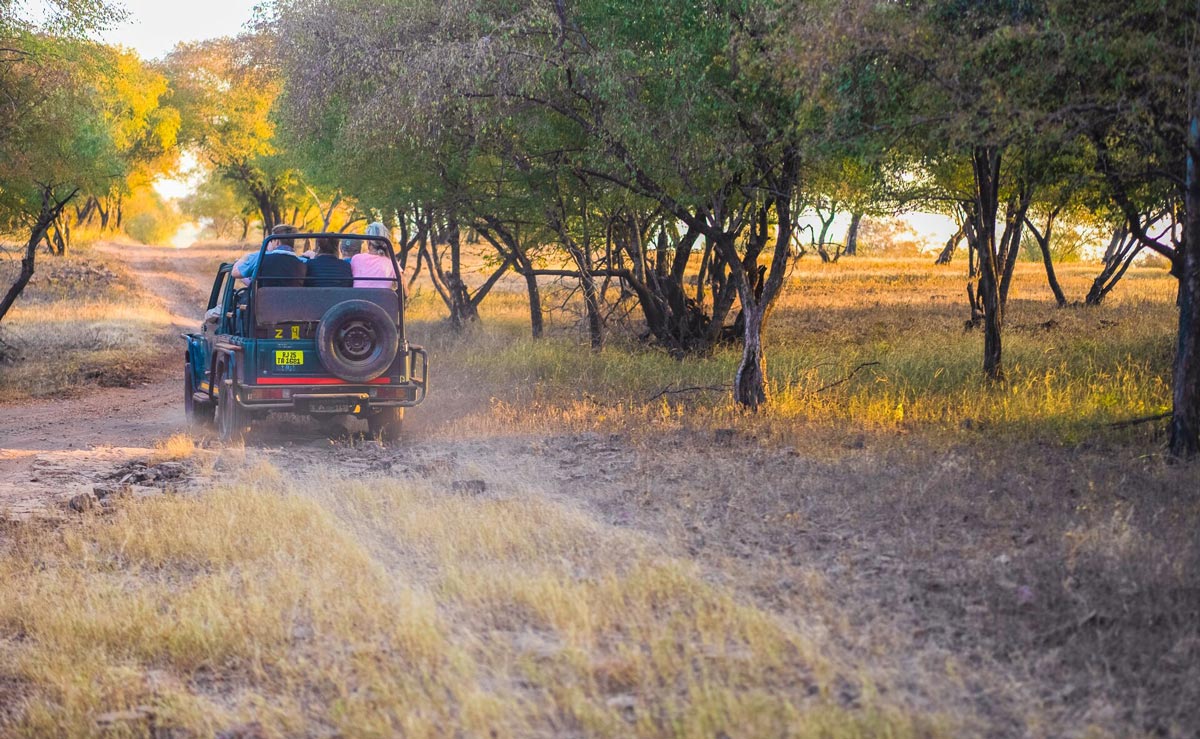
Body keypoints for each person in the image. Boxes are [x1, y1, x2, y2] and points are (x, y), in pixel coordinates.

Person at [232, 224, 304, 286]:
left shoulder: (260, 257)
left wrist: (243, 258)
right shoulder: (303, 262)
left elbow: (235, 272)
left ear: (277, 242)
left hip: (262, 301)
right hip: (293, 301)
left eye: (271, 241)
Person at [350, 222, 401, 290]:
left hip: (358, 299)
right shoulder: (393, 263)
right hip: (382, 300)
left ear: (368, 242)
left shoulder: (356, 259)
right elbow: (405, 292)